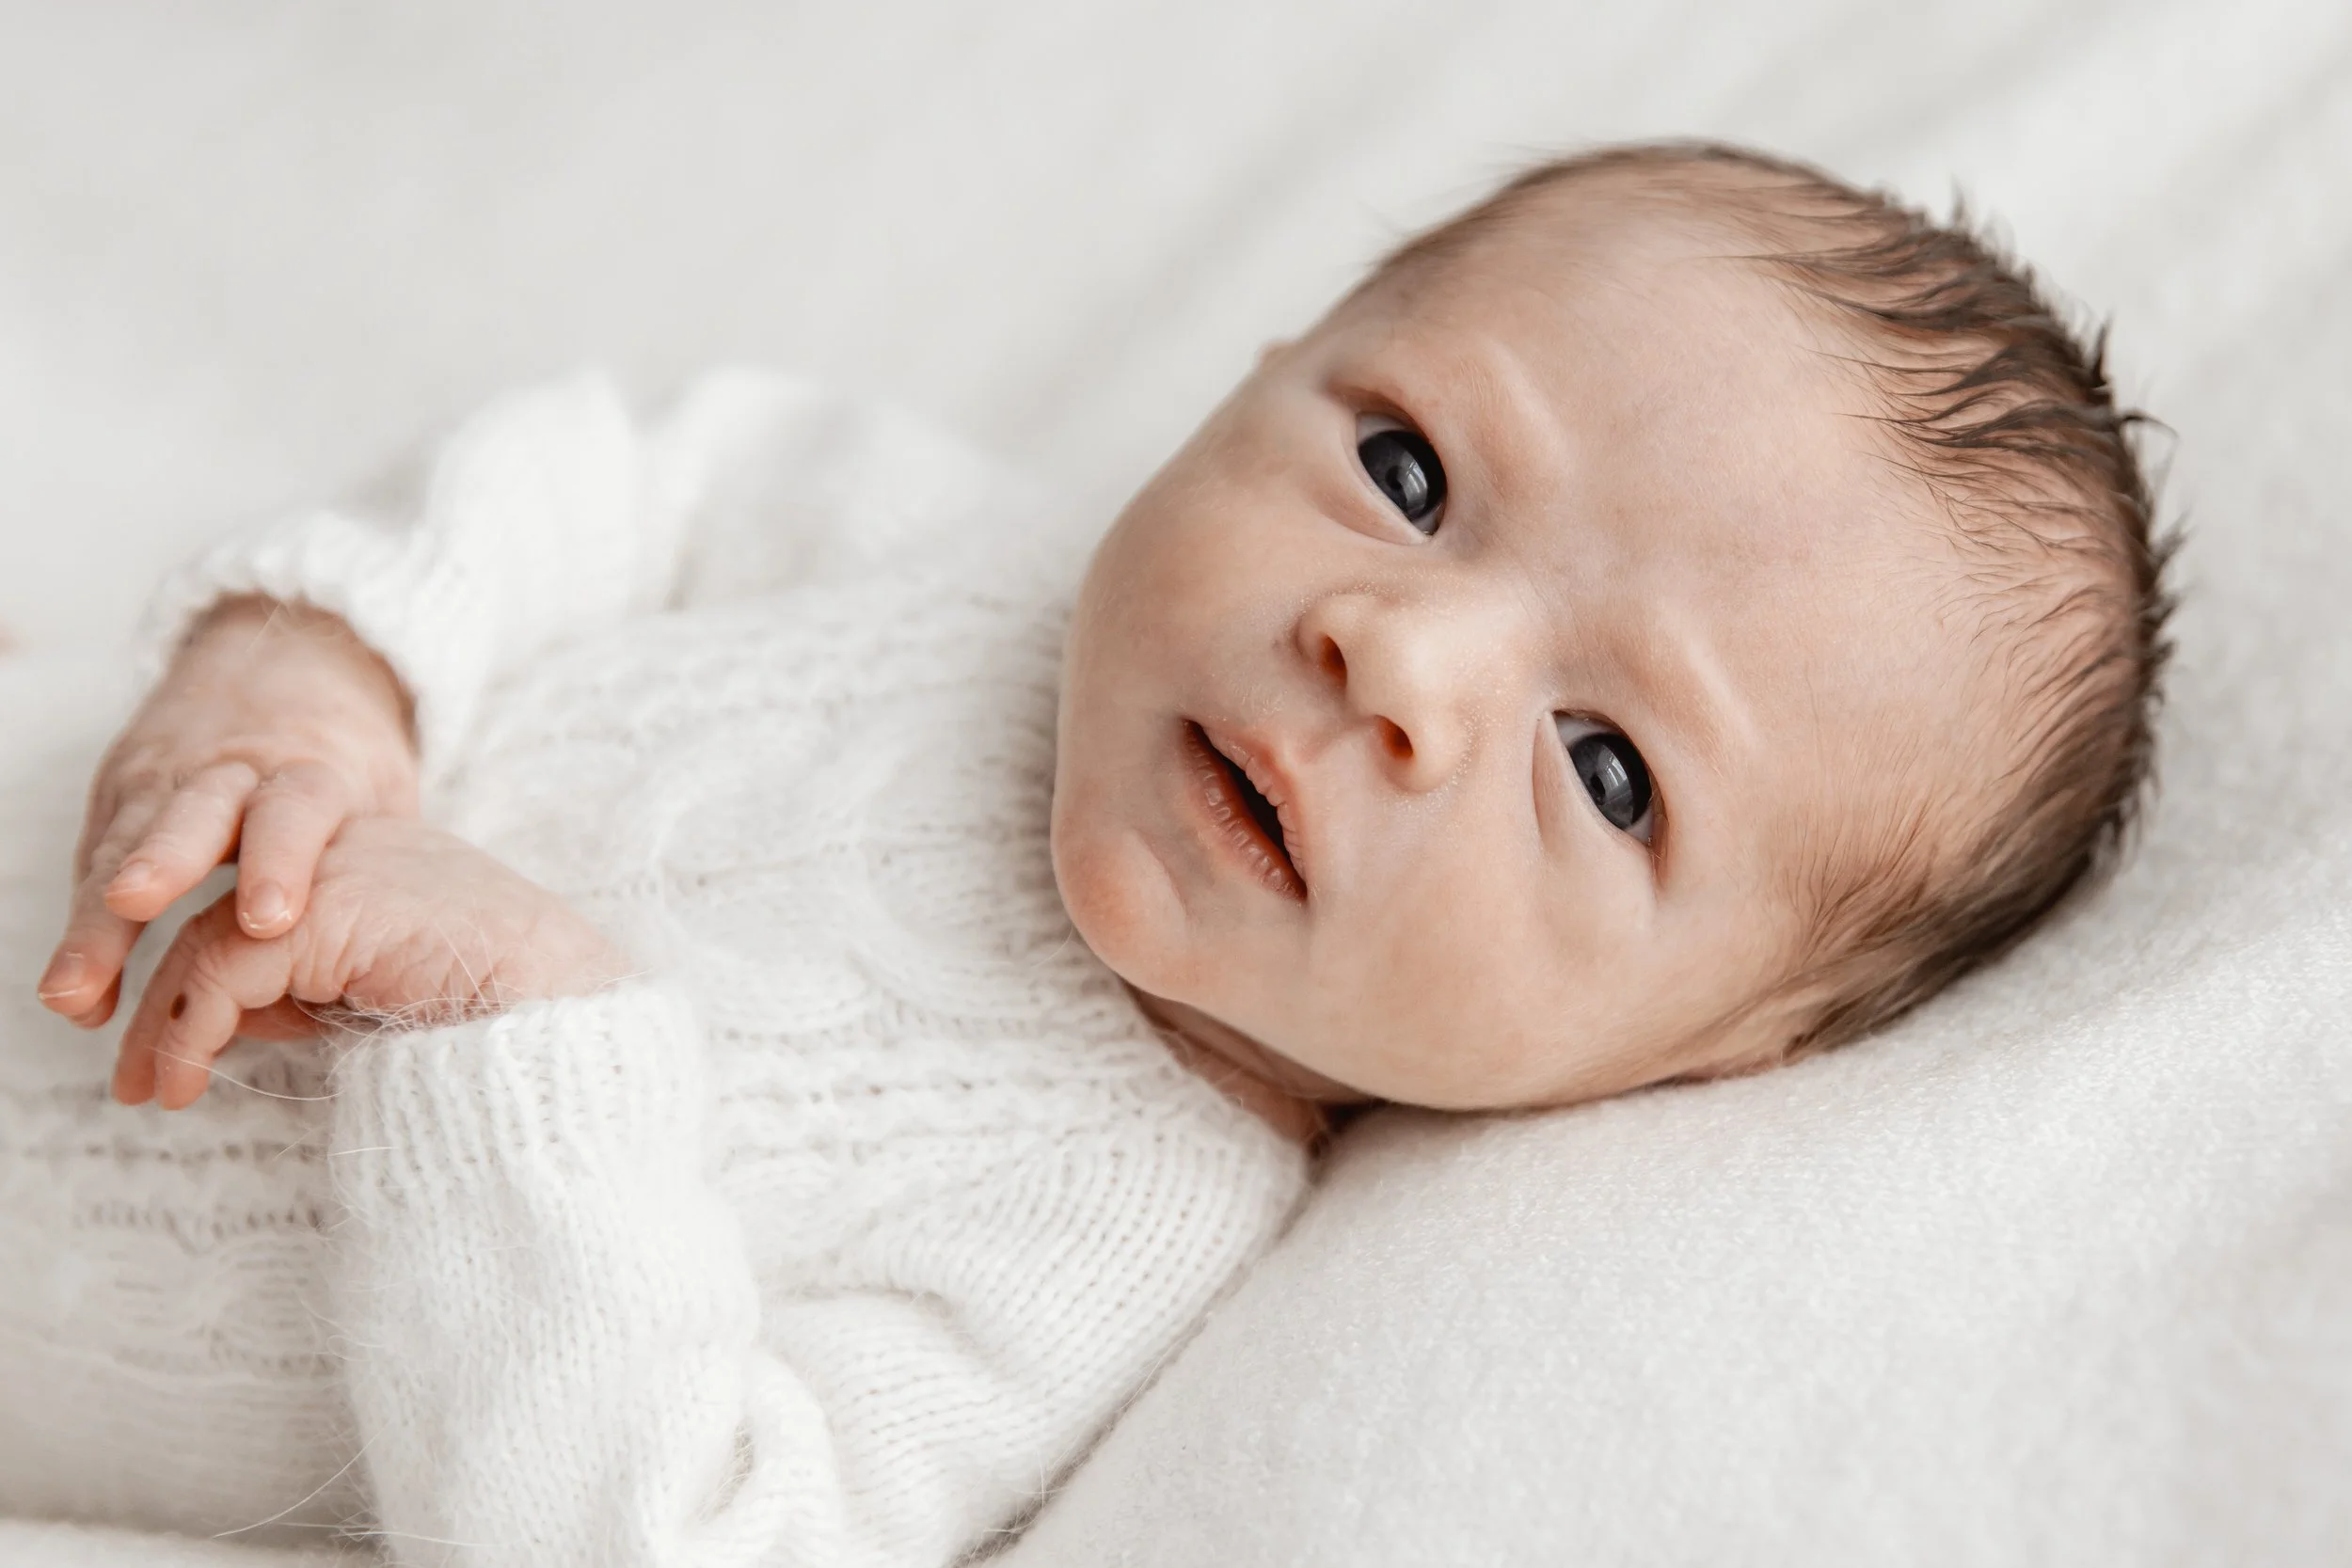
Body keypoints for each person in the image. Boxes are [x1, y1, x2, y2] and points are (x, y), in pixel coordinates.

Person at [12, 141, 2168, 1564]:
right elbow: (597, 475)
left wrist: (519, 1037)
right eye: (1405, 465)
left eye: (1603, 767)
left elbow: (683, 1534)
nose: (1395, 648)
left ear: (1708, 1054)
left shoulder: (1098, 1229)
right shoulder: (949, 543)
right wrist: (314, 667)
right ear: (1260, 368)